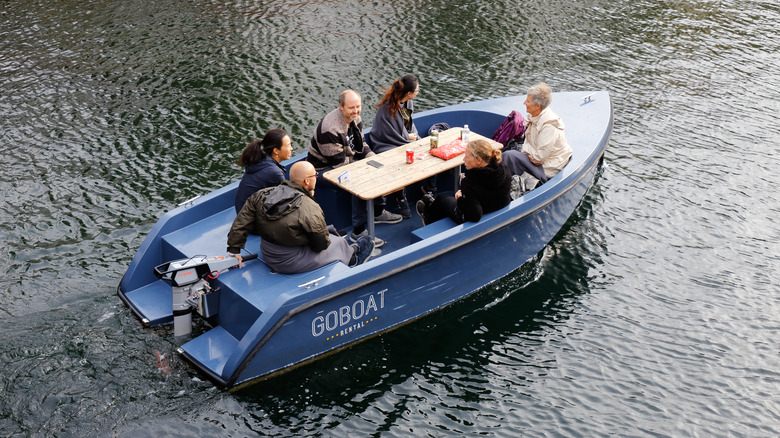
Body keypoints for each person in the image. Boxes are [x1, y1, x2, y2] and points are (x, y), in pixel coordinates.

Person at [227, 161, 374, 274]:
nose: (317, 177)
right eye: (315, 175)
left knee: (329, 234)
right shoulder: (309, 207)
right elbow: (321, 245)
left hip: (268, 251)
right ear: (307, 181)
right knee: (337, 243)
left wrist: (234, 250)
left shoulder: (263, 194)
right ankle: (353, 259)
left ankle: (348, 250)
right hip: (289, 261)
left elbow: (241, 222)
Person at [307, 89, 402, 245]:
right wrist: (366, 168)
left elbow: (362, 145)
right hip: (323, 171)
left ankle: (377, 212)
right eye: (351, 107)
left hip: (346, 160)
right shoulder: (329, 129)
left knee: (380, 165)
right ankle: (358, 232)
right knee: (358, 178)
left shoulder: (355, 118)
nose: (356, 111)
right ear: (341, 107)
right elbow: (341, 166)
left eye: (358, 106)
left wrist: (374, 159)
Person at [416, 139, 511, 225]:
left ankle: (428, 218)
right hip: (499, 206)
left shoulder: (470, 182)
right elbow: (486, 191)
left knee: (441, 200)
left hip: (480, 215)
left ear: (479, 160)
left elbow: (475, 216)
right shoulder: (503, 169)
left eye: (467, 157)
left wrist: (461, 199)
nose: (463, 159)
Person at [369, 74, 420, 218]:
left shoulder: (408, 103)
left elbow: (409, 124)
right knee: (399, 160)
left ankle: (428, 189)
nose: (418, 93)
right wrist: (406, 137)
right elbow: (385, 133)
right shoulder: (387, 108)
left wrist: (410, 136)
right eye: (416, 91)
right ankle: (400, 197)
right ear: (409, 93)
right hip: (386, 144)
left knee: (423, 149)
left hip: (403, 140)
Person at [502, 82, 572, 184]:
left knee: (509, 156)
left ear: (538, 106)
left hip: (548, 167)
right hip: (539, 158)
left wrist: (525, 150)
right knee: (510, 152)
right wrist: (528, 152)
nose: (524, 103)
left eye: (528, 101)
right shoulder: (536, 116)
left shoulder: (549, 126)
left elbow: (539, 157)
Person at [234, 128, 293, 213]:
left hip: (241, 211)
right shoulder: (275, 172)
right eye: (288, 145)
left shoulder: (261, 160)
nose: (291, 148)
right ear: (276, 150)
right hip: (249, 220)